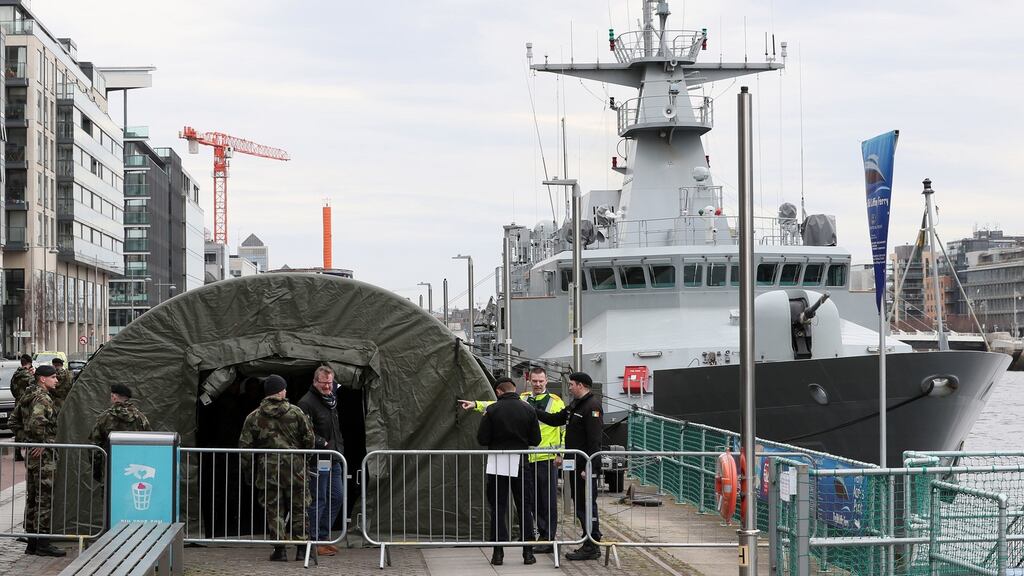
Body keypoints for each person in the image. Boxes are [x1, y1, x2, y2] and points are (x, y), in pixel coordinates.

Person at [459, 368, 565, 554]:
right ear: (528, 380)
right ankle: (530, 541)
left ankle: (547, 538)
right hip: (522, 459)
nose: (538, 384)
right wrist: (476, 404)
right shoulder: (522, 398)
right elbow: (498, 404)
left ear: (547, 381)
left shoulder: (556, 402)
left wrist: (561, 453)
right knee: (527, 502)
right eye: (535, 381)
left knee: (545, 501)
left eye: (541, 381)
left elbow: (563, 428)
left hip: (544, 458)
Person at [238, 375, 316, 562]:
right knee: (299, 508)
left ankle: (279, 549)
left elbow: (244, 448)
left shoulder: (254, 416)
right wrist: (304, 459)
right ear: (282, 391)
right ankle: (301, 549)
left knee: (274, 510)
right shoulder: (296, 413)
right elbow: (310, 440)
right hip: (295, 467)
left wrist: (249, 472)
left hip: (269, 469)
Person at [535, 371, 603, 561]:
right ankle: (589, 541)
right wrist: (533, 410)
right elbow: (556, 419)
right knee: (580, 503)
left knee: (587, 504)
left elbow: (595, 441)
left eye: (572, 384)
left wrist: (590, 467)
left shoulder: (592, 406)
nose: (570, 387)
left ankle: (592, 543)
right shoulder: (576, 405)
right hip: (574, 463)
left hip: (584, 466)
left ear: (581, 385)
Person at [475, 377, 541, 566]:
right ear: (514, 390)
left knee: (498, 507)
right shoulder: (528, 409)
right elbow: (536, 439)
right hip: (521, 461)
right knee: (524, 507)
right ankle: (528, 553)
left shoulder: (492, 410)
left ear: (498, 392)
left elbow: (482, 439)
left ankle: (498, 553)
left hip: (498, 462)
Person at [8, 365, 66, 557]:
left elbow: (13, 422)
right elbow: (36, 423)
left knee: (33, 498)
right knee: (44, 498)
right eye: (53, 377)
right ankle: (42, 543)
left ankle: (32, 543)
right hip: (43, 457)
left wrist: (26, 440)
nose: (56, 380)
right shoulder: (41, 398)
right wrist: (40, 442)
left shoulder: (27, 396)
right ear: (43, 379)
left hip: (34, 457)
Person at [297, 366, 344, 557]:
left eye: (330, 382)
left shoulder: (332, 400)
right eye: (324, 383)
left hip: (335, 457)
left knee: (337, 497)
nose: (327, 386)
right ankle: (314, 540)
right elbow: (303, 431)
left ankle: (324, 537)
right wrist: (321, 443)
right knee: (319, 499)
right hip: (318, 459)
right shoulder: (306, 403)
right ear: (315, 381)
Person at [88, 384, 152, 481]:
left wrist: (97, 471)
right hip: (134, 469)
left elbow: (95, 447)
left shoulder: (104, 418)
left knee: (110, 494)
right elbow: (150, 443)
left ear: (114, 397)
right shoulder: (140, 418)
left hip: (111, 469)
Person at [9, 354, 34, 462]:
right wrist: (33, 373)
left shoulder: (15, 374)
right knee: (28, 426)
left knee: (18, 426)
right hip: (26, 404)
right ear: (29, 363)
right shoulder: (26, 375)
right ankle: (29, 452)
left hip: (18, 402)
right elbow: (34, 384)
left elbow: (12, 388)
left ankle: (17, 453)